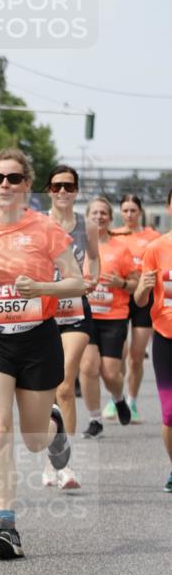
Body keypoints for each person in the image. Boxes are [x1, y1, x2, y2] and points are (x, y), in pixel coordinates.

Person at [0, 149, 84, 559]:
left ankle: (53, 428)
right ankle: (6, 524)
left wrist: (42, 290)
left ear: (27, 185)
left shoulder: (45, 228)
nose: (4, 185)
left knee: (33, 440)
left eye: (13, 178)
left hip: (37, 337)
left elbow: (77, 282)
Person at [43, 165, 100, 488]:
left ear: (76, 190)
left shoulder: (87, 226)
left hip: (76, 310)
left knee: (65, 385)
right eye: (56, 186)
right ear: (49, 190)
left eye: (68, 186)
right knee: (46, 391)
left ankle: (65, 464)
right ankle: (51, 459)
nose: (63, 192)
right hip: (42, 312)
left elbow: (95, 258)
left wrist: (91, 277)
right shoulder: (38, 224)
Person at [80, 197, 138, 438]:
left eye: (104, 213)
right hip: (85, 315)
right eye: (94, 212)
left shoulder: (121, 249)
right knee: (88, 367)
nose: (99, 216)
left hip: (114, 317)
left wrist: (121, 283)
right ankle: (95, 420)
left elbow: (135, 284)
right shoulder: (77, 246)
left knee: (110, 373)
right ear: (87, 216)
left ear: (110, 218)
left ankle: (119, 398)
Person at [103, 194, 159, 423]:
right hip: (119, 300)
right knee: (120, 354)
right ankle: (117, 398)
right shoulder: (113, 235)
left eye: (133, 210)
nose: (129, 214)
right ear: (120, 212)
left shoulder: (153, 237)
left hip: (143, 301)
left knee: (136, 357)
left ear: (140, 212)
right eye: (125, 210)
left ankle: (132, 402)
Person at [135, 188, 172, 491]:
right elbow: (139, 300)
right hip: (165, 337)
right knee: (170, 412)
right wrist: (144, 287)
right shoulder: (156, 249)